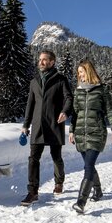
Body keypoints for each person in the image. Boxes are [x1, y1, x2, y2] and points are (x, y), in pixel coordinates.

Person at [20, 50, 74, 205]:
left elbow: (69, 98)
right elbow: (30, 105)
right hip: (37, 126)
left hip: (54, 123)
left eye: (44, 60)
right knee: (33, 158)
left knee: (56, 156)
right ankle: (32, 191)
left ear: (52, 62)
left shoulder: (60, 79)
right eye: (40, 60)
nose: (41, 62)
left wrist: (65, 111)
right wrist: (25, 124)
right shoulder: (34, 81)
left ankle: (59, 181)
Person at [68, 60, 112, 214]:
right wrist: (71, 131)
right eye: (78, 73)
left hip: (97, 132)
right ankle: (98, 190)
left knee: (88, 165)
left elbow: (109, 110)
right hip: (80, 133)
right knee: (88, 165)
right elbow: (75, 113)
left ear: (89, 72)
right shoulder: (77, 91)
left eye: (82, 72)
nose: (80, 75)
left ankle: (81, 202)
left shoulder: (101, 90)